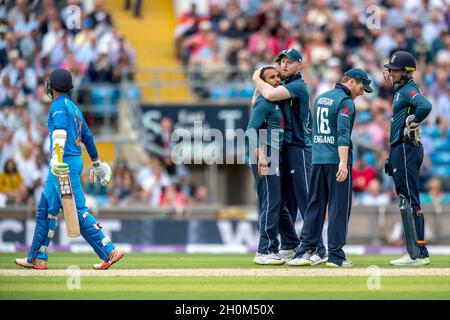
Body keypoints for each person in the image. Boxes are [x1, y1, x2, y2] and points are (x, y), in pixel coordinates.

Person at [15, 68, 123, 270]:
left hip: (63, 164)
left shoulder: (57, 106)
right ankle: (37, 258)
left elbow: (60, 132)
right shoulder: (74, 108)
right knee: (46, 210)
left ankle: (109, 250)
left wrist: (57, 159)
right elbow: (88, 138)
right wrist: (97, 163)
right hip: (64, 163)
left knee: (76, 210)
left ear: (52, 87)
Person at [288, 68, 373, 268]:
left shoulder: (321, 97)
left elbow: (312, 128)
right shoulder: (346, 102)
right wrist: (343, 162)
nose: (362, 92)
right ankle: (335, 256)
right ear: (351, 82)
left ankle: (304, 252)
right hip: (336, 161)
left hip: (318, 159)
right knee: (338, 208)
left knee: (315, 206)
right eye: (361, 86)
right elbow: (343, 135)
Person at [252, 48, 325, 264]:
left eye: (289, 62)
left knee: (306, 201)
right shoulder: (282, 85)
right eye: (281, 62)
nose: (284, 65)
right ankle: (291, 244)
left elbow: (269, 95)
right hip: (285, 148)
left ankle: (318, 250)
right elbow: (259, 103)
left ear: (299, 65)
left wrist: (256, 76)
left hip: (300, 147)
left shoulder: (298, 86)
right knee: (279, 201)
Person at [383, 50, 432, 266]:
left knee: (409, 198)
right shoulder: (403, 90)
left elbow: (426, 106)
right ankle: (418, 250)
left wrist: (414, 123)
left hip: (406, 148)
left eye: (394, 70)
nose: (390, 74)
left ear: (406, 71)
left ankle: (415, 253)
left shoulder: (409, 90)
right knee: (406, 197)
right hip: (400, 149)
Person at [246, 65, 294, 265]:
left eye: (277, 76)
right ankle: (264, 250)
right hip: (267, 153)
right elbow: (250, 130)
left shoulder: (275, 101)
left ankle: (285, 244)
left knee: (276, 202)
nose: (277, 80)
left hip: (274, 153)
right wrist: (261, 156)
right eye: (272, 77)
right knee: (271, 202)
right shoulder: (264, 103)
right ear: (264, 82)